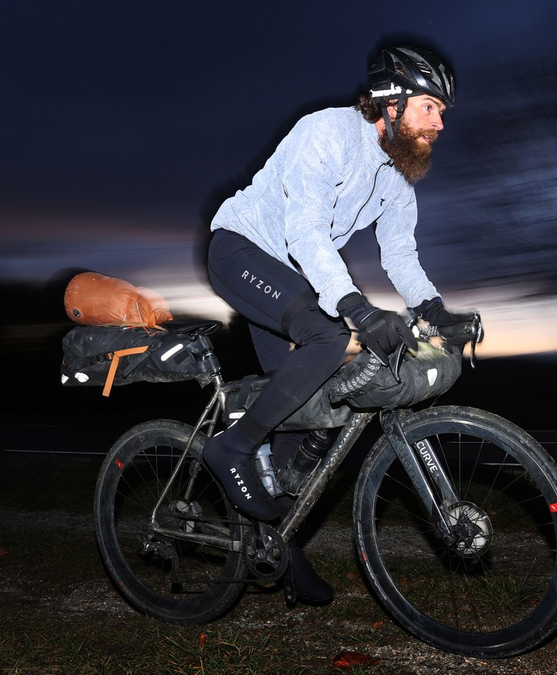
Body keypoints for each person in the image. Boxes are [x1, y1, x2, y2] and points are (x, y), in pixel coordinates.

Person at [203, 45, 480, 604]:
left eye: (443, 112)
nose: (440, 122)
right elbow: (305, 230)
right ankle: (232, 447)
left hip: (292, 275)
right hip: (241, 250)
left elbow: (399, 254)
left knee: (316, 407)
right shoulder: (326, 134)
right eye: (430, 107)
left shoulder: (397, 178)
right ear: (392, 103)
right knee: (330, 336)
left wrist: (434, 311)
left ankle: (278, 546)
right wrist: (356, 309)